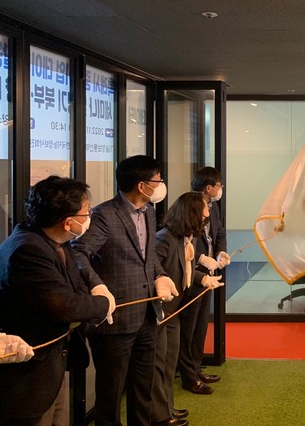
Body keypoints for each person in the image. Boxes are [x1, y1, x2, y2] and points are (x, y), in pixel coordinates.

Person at [72, 156, 179, 426]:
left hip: (147, 314)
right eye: (158, 180)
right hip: (116, 318)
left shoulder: (149, 211)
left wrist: (161, 276)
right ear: (142, 186)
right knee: (111, 394)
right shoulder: (104, 215)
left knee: (143, 389)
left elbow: (149, 255)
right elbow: (78, 252)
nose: (161, 185)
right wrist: (97, 286)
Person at [0, 176, 113, 425]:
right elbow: (65, 306)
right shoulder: (27, 250)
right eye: (87, 212)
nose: (90, 216)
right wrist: (103, 304)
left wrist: (92, 295)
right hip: (29, 375)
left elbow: (76, 286)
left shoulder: (56, 240)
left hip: (54, 364)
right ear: (68, 221)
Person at [151, 192, 224, 426]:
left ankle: (167, 408)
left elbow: (187, 270)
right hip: (160, 313)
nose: (207, 216)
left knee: (169, 361)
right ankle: (160, 415)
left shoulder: (185, 239)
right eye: (204, 212)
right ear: (192, 214)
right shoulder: (165, 239)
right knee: (158, 365)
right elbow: (151, 270)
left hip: (173, 312)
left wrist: (203, 279)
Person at [178, 166, 230, 394]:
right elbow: (182, 240)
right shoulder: (190, 205)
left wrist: (220, 252)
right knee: (187, 328)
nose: (221, 189)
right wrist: (200, 258)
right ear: (209, 188)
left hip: (209, 274)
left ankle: (196, 367)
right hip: (192, 274)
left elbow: (219, 232)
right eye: (219, 185)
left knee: (200, 326)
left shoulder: (214, 206)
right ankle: (188, 376)